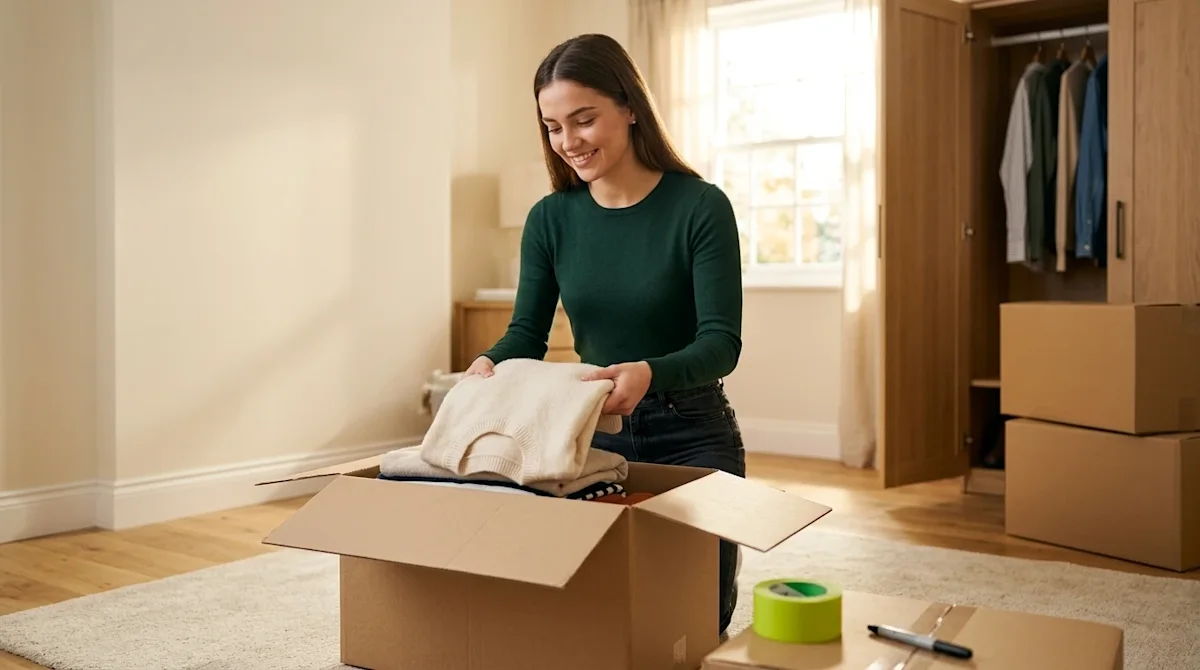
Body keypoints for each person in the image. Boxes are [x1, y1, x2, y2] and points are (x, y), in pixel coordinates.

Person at [463, 33, 746, 637]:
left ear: (631, 106)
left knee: (692, 624)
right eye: (553, 127)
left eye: (584, 120)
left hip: (692, 434)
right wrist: (488, 362)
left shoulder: (700, 206)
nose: (569, 142)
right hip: (589, 437)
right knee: (596, 618)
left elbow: (721, 343)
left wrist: (650, 372)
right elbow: (525, 335)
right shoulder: (550, 220)